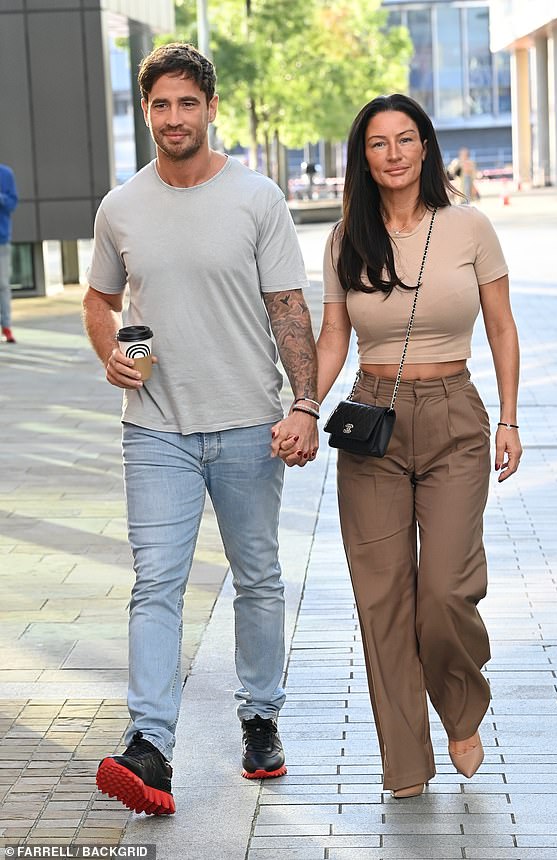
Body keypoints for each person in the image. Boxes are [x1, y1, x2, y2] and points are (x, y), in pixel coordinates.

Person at [82, 43, 319, 816]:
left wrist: (303, 405)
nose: (174, 117)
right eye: (161, 104)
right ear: (146, 111)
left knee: (258, 578)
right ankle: (150, 744)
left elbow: (288, 307)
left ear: (210, 108)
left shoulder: (257, 199)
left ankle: (259, 718)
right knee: (157, 584)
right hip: (155, 429)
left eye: (188, 103)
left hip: (250, 422)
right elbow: (110, 301)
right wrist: (115, 351)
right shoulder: (121, 207)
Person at [274, 94, 521, 798]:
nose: (393, 153)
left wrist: (509, 419)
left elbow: (501, 327)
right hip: (371, 418)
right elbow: (333, 338)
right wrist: (302, 405)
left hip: (454, 417)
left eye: (405, 139)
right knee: (381, 597)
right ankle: (406, 766)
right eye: (378, 143)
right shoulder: (345, 237)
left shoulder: (469, 226)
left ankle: (462, 705)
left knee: (444, 590)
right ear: (364, 156)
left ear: (425, 147)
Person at [0, 163, 19, 344]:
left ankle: (6, 327)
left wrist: (1, 198)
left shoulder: (6, 174)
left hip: (1, 239)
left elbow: (13, 202)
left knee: (3, 285)